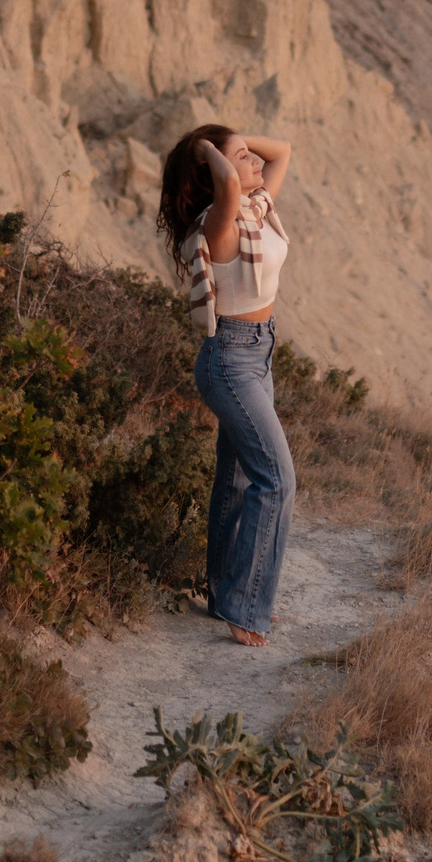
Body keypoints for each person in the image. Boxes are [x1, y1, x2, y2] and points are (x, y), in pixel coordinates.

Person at [155, 125, 295, 646]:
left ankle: (226, 592)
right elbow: (230, 186)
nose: (256, 161)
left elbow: (282, 152)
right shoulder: (218, 223)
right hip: (230, 361)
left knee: (238, 482)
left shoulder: (253, 209)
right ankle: (244, 606)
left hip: (259, 353)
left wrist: (235, 139)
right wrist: (206, 149)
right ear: (218, 173)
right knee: (277, 480)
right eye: (243, 157)